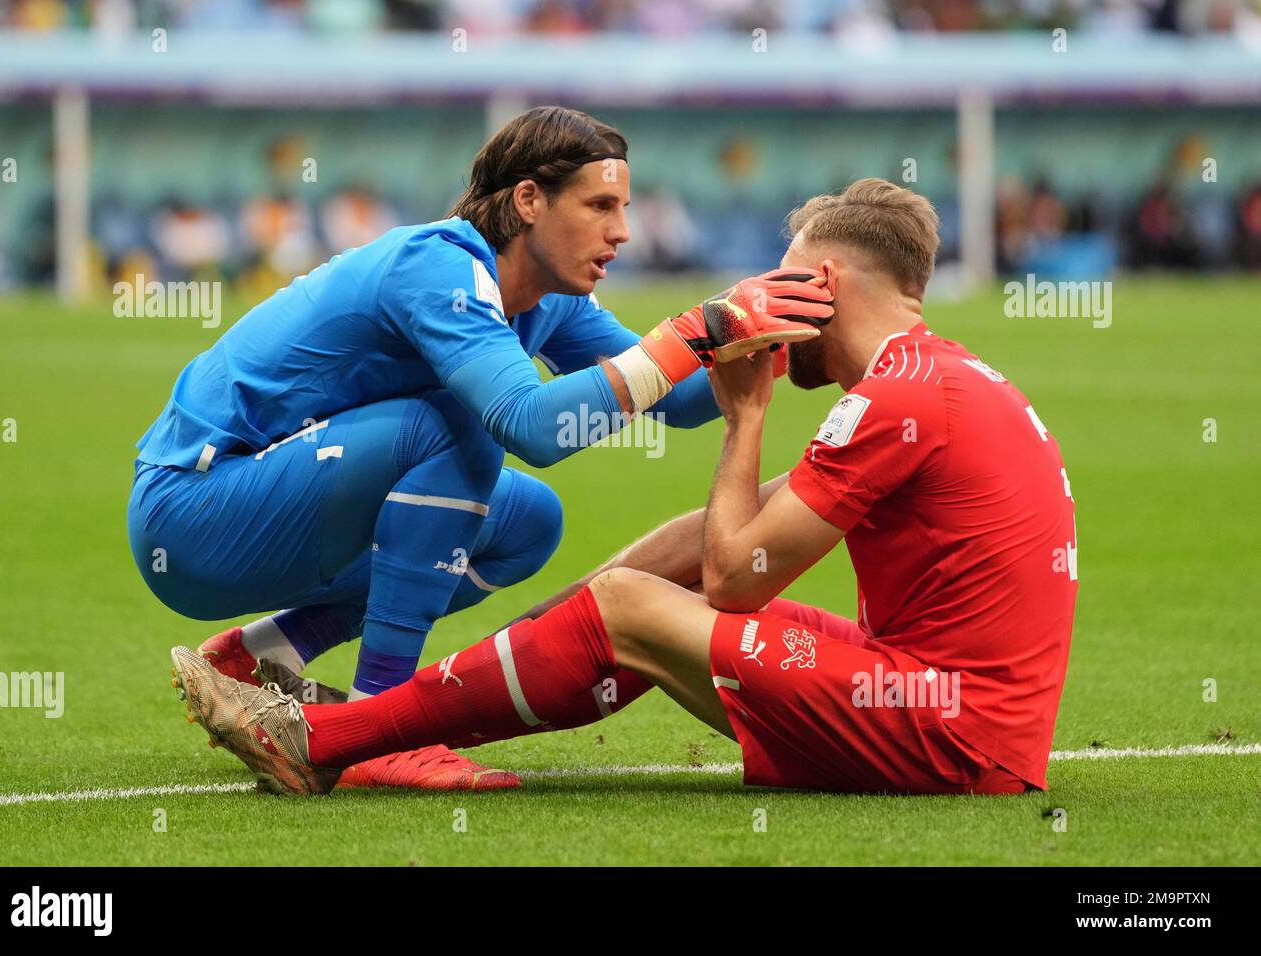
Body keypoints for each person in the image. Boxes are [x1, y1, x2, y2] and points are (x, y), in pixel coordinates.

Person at [169, 178, 1076, 797]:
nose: (761, 294)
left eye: (779, 276)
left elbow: (737, 581)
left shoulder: (900, 396)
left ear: (822, 281)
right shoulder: (936, 375)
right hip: (943, 706)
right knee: (669, 557)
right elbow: (722, 541)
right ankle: (415, 709)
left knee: (633, 605)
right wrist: (708, 353)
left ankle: (330, 740)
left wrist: (744, 416)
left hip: (947, 733)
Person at [130, 105, 832, 791]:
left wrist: (773, 341)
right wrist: (693, 330)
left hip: (277, 509)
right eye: (599, 206)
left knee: (528, 522)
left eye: (624, 208)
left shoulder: (547, 297)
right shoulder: (438, 266)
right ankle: (377, 725)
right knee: (456, 429)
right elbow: (528, 424)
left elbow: (673, 400)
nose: (622, 232)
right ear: (529, 200)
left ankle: (262, 655)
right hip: (194, 512)